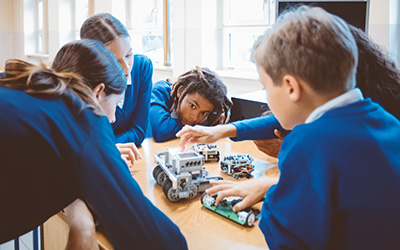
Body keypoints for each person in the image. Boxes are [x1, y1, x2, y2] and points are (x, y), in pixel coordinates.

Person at [196, 6, 400, 249]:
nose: (267, 97)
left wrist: (273, 197)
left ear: (291, 87)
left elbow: (286, 238)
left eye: (266, 87)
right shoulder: (388, 122)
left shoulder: (306, 143)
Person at [0, 39, 187, 249]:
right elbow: (158, 240)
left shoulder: (22, 83)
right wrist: (99, 158)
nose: (114, 118)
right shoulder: (82, 115)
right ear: (98, 92)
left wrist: (93, 160)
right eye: (116, 104)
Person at [176, 24, 400, 157]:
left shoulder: (346, 136)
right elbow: (280, 120)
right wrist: (222, 131)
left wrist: (294, 152)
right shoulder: (366, 111)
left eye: (267, 87)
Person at [81, 13, 153, 146]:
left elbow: (139, 131)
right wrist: (108, 150)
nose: (126, 68)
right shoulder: (81, 84)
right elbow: (83, 143)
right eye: (114, 60)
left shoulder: (142, 67)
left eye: (128, 54)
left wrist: (106, 147)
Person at [150, 66, 232, 142]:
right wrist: (203, 128)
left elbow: (226, 107)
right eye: (192, 106)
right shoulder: (161, 91)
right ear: (180, 91)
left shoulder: (208, 105)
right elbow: (161, 130)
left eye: (204, 113)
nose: (195, 118)